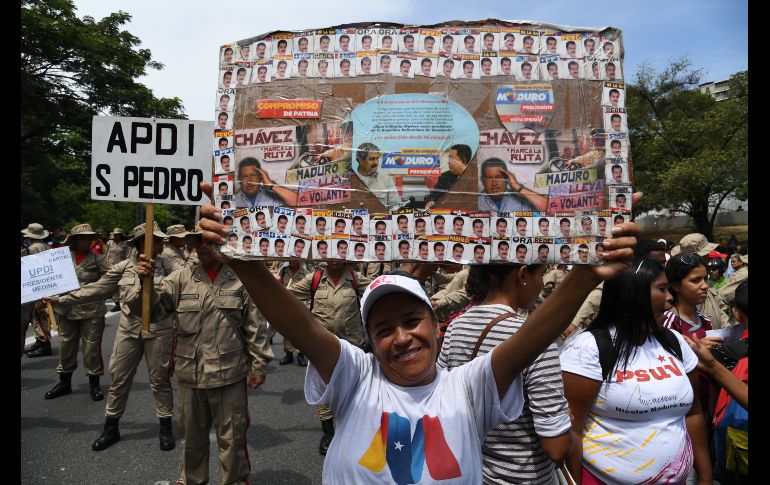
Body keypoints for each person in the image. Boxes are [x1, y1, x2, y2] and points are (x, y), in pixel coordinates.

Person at [198, 182, 639, 483]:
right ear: (369, 342)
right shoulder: (357, 376)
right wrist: (242, 261)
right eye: (383, 329)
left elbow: (530, 340)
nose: (402, 337)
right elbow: (300, 323)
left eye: (412, 321)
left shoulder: (469, 386)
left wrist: (584, 278)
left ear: (435, 324)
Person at [131, 230, 272, 485]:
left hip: (229, 375)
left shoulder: (240, 279)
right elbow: (150, 312)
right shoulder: (180, 278)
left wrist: (259, 364)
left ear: (222, 244)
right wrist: (146, 283)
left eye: (210, 242)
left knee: (232, 440)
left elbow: (255, 326)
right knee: (193, 442)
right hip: (190, 376)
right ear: (192, 245)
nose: (205, 247)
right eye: (199, 242)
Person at [560, 257, 712, 484]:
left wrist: (706, 476)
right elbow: (571, 431)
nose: (670, 298)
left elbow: (693, 413)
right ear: (633, 294)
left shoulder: (676, 342)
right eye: (661, 289)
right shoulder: (588, 348)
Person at [46, 223, 181, 451]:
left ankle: (165, 427)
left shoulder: (169, 266)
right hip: (129, 330)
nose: (162, 243)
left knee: (160, 381)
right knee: (119, 379)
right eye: (156, 240)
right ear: (142, 243)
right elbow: (97, 289)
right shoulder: (124, 267)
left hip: (159, 331)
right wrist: (63, 299)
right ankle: (111, 427)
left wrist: (153, 280)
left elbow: (183, 285)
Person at [439, 265, 571, 483]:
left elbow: (445, 403)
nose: (541, 283)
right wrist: (568, 424)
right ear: (522, 275)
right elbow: (556, 447)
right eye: (540, 274)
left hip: (472, 473)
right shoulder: (538, 341)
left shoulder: (455, 327)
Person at [287, 261, 371, 454]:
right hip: (322, 346)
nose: (335, 257)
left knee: (354, 388)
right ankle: (328, 433)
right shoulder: (314, 279)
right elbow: (287, 296)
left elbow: (377, 290)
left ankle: (353, 429)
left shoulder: (355, 279)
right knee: (325, 388)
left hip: (351, 344)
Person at [40, 224, 109, 402]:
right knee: (66, 346)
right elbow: (49, 279)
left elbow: (109, 281)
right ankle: (64, 383)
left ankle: (94, 384)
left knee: (91, 348)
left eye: (90, 238)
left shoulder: (99, 259)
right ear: (75, 240)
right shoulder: (62, 259)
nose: (87, 241)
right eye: (83, 238)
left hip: (91, 310)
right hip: (66, 310)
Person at [478, 158, 547, 211]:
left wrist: (517, 187)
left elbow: (548, 208)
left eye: (498, 177)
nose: (494, 183)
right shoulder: (475, 201)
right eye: (489, 178)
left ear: (507, 178)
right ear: (483, 180)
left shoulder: (520, 200)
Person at [233, 157, 298, 207]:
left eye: (253, 175)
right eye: (245, 176)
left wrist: (270, 184)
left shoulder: (272, 196)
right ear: (239, 179)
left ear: (260, 177)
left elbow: (297, 201)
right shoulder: (233, 200)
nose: (249, 181)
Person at [354, 142, 403, 209]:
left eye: (377, 158)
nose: (376, 162)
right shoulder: (351, 180)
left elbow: (396, 205)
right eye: (372, 159)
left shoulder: (386, 179)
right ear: (361, 161)